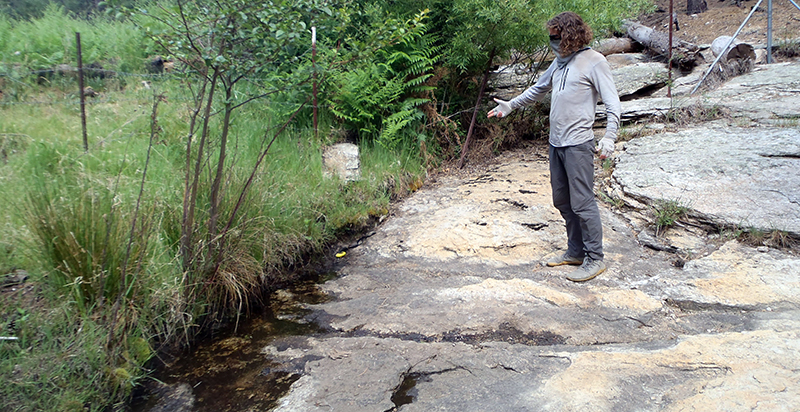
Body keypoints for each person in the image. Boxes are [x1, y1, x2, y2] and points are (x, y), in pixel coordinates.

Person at [487, 11, 621, 282]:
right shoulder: (560, 62)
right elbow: (538, 89)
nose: (553, 42)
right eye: (551, 38)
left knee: (583, 203)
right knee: (562, 200)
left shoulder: (595, 61)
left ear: (570, 35)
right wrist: (510, 105)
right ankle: (575, 251)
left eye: (556, 37)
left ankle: (595, 258)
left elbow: (612, 102)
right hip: (556, 143)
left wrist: (609, 136)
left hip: (579, 144)